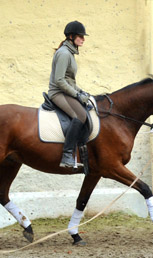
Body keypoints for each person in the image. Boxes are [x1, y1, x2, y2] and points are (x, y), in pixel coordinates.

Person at [47, 21, 90, 168]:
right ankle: (67, 155)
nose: (83, 39)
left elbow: (69, 80)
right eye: (80, 36)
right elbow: (59, 81)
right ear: (71, 37)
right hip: (57, 92)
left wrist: (80, 91)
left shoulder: (70, 53)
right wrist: (77, 95)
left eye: (83, 37)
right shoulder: (64, 54)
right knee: (80, 116)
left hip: (65, 90)